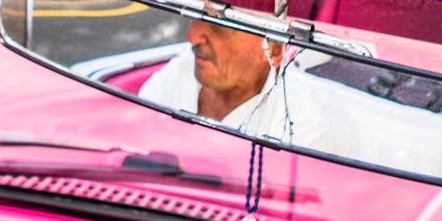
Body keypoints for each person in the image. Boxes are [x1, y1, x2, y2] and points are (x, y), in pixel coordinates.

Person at [138, 17, 331, 151]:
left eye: (219, 26)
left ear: (272, 49)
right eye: (195, 17)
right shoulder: (181, 69)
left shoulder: (300, 127)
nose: (191, 36)